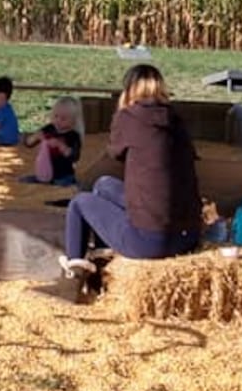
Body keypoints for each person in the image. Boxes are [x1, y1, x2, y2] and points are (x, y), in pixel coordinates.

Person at [61, 64, 200, 299]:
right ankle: (105, 255)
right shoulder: (176, 119)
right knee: (104, 185)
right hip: (188, 237)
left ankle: (75, 266)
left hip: (149, 241)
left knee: (80, 203)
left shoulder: (129, 117)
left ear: (128, 90)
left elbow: (115, 154)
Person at [21, 96, 83, 185]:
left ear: (74, 120)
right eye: (56, 116)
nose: (58, 120)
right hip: (44, 172)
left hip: (63, 175)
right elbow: (28, 144)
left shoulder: (73, 136)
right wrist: (35, 137)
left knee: (63, 184)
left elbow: (74, 157)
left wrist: (61, 146)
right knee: (24, 180)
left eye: (63, 118)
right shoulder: (50, 128)